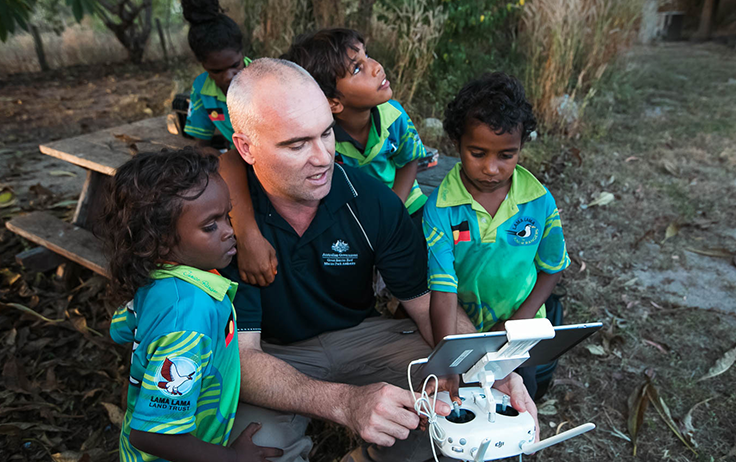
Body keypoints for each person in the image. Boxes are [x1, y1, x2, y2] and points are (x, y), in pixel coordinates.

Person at [217, 58, 538, 462]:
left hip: (360, 335)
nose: (322, 158)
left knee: (464, 398)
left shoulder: (371, 202)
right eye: (297, 144)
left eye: (326, 134)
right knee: (254, 449)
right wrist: (344, 402)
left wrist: (487, 369)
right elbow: (243, 358)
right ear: (246, 147)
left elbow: (426, 306)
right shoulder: (221, 220)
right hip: (269, 351)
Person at [100, 149, 282, 462]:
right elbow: (152, 435)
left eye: (227, 216)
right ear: (159, 240)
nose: (229, 231)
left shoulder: (160, 280)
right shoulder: (189, 317)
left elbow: (122, 329)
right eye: (210, 225)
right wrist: (233, 458)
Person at [230, 28, 432, 287]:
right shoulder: (318, 133)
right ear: (333, 103)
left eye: (367, 56)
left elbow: (409, 160)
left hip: (405, 203)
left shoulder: (394, 116)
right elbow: (233, 160)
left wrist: (393, 204)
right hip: (352, 212)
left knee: (416, 265)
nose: (376, 67)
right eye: (358, 68)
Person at [424, 72, 571, 398]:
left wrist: (515, 324)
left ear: (520, 147)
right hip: (464, 329)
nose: (492, 168)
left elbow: (552, 268)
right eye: (478, 153)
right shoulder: (441, 209)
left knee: (518, 396)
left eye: (506, 155)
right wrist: (447, 360)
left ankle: (519, 448)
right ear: (456, 143)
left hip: (523, 326)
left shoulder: (538, 200)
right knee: (467, 400)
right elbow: (443, 292)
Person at [181, 0, 252, 152]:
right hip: (239, 155)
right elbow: (202, 145)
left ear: (242, 52)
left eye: (235, 65)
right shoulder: (201, 89)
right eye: (216, 71)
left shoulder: (266, 79)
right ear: (203, 65)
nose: (228, 76)